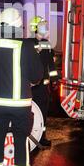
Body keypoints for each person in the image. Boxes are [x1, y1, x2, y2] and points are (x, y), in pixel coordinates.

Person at [0, 8, 43, 166]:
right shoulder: (27, 46)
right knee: (21, 142)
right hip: (20, 106)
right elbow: (37, 76)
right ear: (18, 26)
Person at [29, 16, 60, 147]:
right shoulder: (29, 44)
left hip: (43, 88)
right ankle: (30, 135)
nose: (45, 28)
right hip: (30, 86)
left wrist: (54, 80)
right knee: (30, 112)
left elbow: (50, 65)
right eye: (42, 25)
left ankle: (41, 137)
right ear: (35, 28)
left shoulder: (46, 44)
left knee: (43, 112)